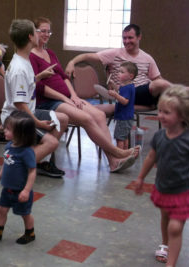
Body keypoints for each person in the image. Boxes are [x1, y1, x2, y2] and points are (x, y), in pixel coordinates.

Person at [29, 17, 139, 172]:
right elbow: (38, 86)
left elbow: (64, 76)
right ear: (34, 32)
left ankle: (113, 162)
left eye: (49, 31)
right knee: (86, 118)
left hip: (67, 98)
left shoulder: (50, 53)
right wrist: (64, 98)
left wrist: (73, 96)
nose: (46, 34)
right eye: (42, 31)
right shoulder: (31, 56)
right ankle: (116, 153)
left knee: (99, 116)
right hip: (49, 101)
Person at [134, 85, 189, 267]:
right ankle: (165, 244)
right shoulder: (160, 136)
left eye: (166, 113)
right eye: (160, 111)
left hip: (183, 192)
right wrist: (141, 178)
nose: (160, 115)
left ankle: (171, 264)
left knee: (175, 228)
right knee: (166, 218)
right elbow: (151, 157)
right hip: (163, 188)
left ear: (182, 116)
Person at [0, 19, 68, 178]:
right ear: (31, 37)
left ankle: (38, 161)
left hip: (26, 112)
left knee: (63, 118)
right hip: (16, 118)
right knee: (52, 143)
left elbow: (26, 85)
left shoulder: (25, 59)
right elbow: (19, 103)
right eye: (37, 32)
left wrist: (38, 77)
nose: (40, 34)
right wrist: (37, 123)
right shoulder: (19, 68)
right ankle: (16, 165)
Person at [65, 24, 174, 113]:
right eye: (124, 38)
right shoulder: (115, 53)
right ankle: (182, 93)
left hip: (143, 94)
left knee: (164, 90)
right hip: (125, 93)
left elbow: (158, 79)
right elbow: (87, 56)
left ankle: (155, 104)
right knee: (162, 86)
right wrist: (72, 62)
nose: (126, 41)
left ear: (139, 37)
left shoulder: (147, 58)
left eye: (130, 38)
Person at [0, 111, 37, 245]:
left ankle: (30, 233)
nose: (4, 130)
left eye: (8, 129)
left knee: (25, 214)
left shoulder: (27, 152)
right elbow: (6, 164)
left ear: (21, 133)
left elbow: (32, 172)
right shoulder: (9, 146)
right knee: (1, 210)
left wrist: (26, 190)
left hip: (21, 192)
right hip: (7, 190)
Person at [108, 61, 137, 149]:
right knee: (124, 137)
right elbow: (120, 92)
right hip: (126, 116)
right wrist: (113, 85)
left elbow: (125, 101)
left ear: (130, 76)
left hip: (123, 117)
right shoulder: (126, 86)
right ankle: (125, 154)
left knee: (119, 138)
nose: (118, 74)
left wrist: (115, 95)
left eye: (122, 72)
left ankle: (120, 155)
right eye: (119, 71)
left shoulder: (127, 88)